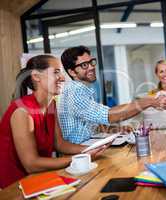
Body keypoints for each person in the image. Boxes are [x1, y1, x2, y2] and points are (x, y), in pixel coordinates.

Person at [0, 55, 107, 188]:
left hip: (40, 180)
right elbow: (31, 164)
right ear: (36, 76)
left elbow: (60, 144)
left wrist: (91, 150)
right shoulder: (22, 112)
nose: (62, 77)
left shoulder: (52, 104)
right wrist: (79, 158)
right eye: (56, 72)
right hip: (14, 187)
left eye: (61, 72)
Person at [58, 46, 166, 144]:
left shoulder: (81, 90)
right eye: (84, 65)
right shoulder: (75, 91)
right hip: (79, 156)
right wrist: (149, 101)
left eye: (91, 62)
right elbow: (108, 115)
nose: (92, 67)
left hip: (88, 148)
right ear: (72, 72)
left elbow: (91, 126)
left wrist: (115, 129)